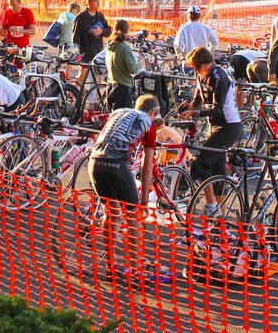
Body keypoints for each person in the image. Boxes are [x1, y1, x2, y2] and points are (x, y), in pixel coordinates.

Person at [88, 94, 161, 277]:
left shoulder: (118, 112)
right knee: (133, 215)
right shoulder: (149, 124)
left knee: (110, 212)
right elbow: (146, 167)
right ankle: (136, 271)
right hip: (116, 164)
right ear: (153, 112)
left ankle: (110, 266)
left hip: (95, 162)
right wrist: (144, 200)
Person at [179, 47, 242, 214]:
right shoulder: (202, 75)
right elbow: (198, 100)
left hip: (229, 126)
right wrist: (190, 106)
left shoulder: (219, 77)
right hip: (215, 126)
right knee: (217, 170)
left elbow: (218, 109)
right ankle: (220, 215)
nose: (195, 71)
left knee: (199, 163)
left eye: (197, 67)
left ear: (207, 63)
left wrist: (195, 113)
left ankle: (211, 205)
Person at [72, 0, 109, 86]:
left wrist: (101, 31)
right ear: (89, 2)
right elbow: (75, 36)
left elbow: (108, 30)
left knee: (98, 75)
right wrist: (77, 52)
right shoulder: (80, 17)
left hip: (98, 51)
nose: (98, 3)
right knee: (82, 75)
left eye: (99, 1)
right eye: (96, 1)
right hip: (85, 52)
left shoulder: (100, 16)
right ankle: (72, 91)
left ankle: (94, 99)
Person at [105, 19, 141, 110]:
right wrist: (139, 64)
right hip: (123, 87)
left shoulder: (110, 46)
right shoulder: (125, 48)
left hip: (111, 85)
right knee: (125, 119)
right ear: (127, 31)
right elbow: (133, 69)